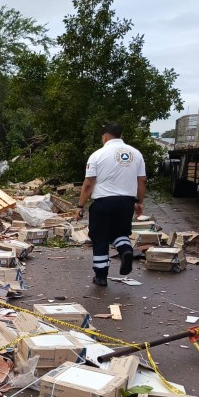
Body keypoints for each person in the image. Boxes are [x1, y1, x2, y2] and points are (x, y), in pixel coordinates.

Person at [76, 122, 147, 287]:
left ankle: (101, 276)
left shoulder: (97, 155)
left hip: (103, 202)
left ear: (105, 136)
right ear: (121, 135)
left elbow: (88, 184)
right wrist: (140, 202)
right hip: (126, 202)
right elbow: (142, 180)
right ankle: (126, 250)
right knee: (120, 233)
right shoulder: (136, 154)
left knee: (100, 237)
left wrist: (80, 206)